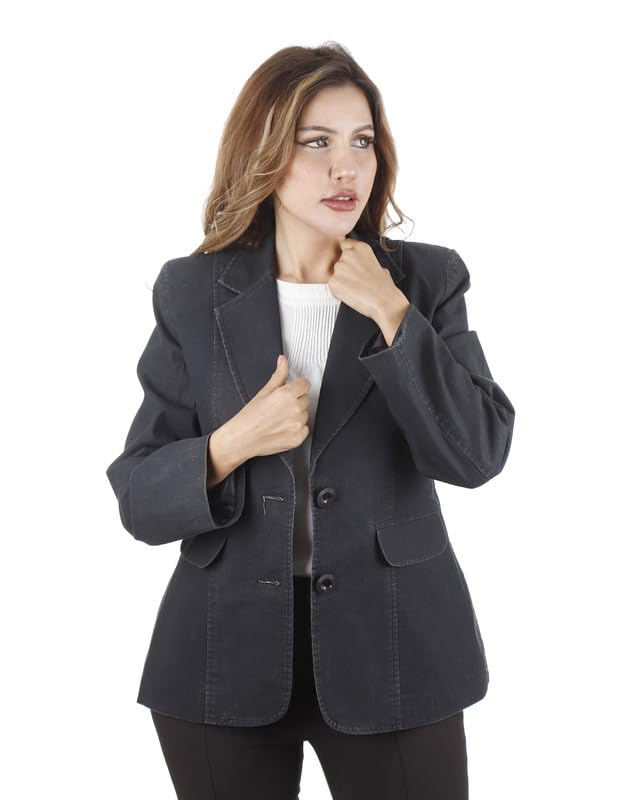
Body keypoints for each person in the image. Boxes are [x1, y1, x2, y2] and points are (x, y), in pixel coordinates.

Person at [106, 42, 516, 800]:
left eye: (362, 142)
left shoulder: (425, 280)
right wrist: (231, 444)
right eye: (316, 143)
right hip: (221, 658)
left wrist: (393, 315)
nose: (346, 169)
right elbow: (138, 496)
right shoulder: (193, 291)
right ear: (264, 153)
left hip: (395, 648)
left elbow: (476, 453)